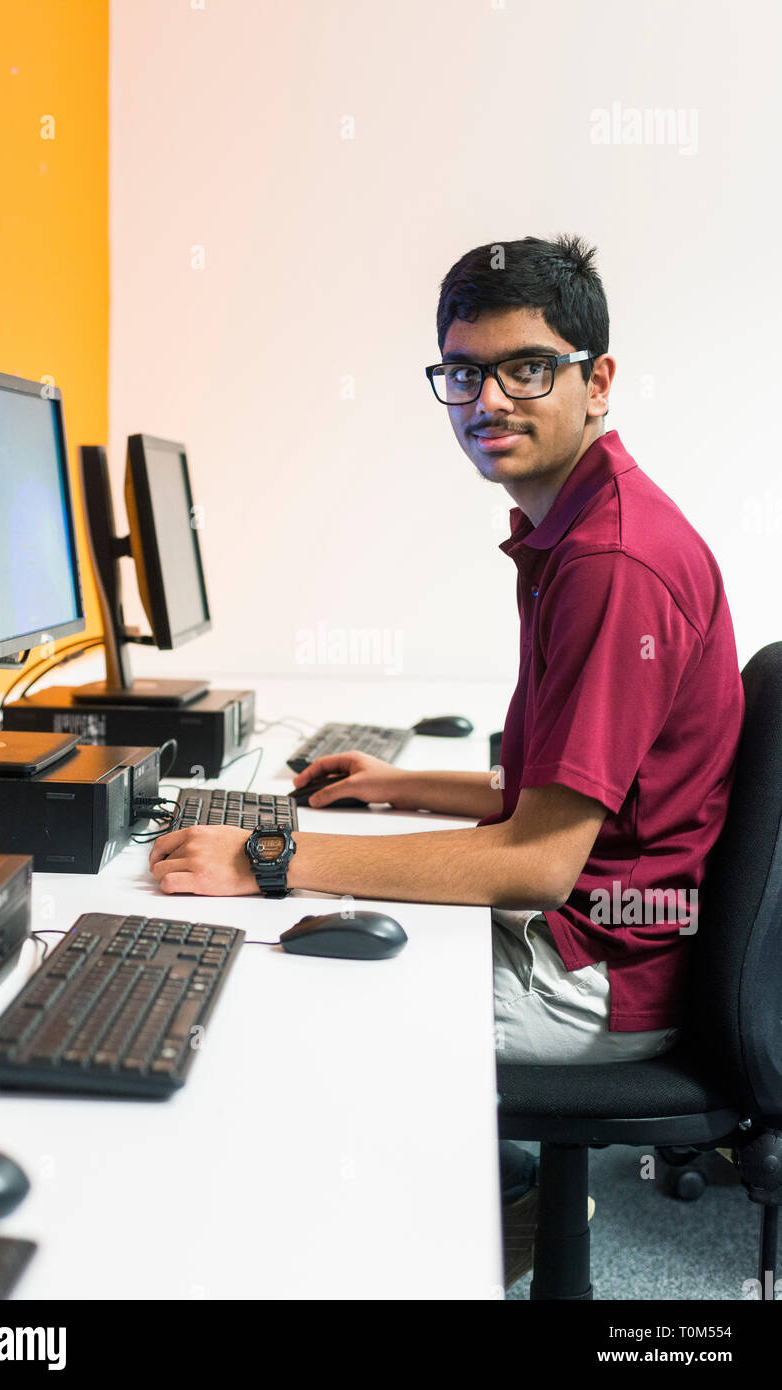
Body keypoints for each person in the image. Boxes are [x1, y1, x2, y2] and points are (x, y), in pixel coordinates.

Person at [148, 234, 745, 1286]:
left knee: (271, 991)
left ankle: (451, 1228)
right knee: (316, 934)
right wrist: (393, 784)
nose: (488, 400)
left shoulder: (611, 562)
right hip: (604, 937)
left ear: (597, 380)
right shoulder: (581, 528)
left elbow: (536, 863)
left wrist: (276, 856)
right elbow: (564, 798)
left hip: (595, 975)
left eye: (527, 367)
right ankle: (508, 1194)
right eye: (464, 372)